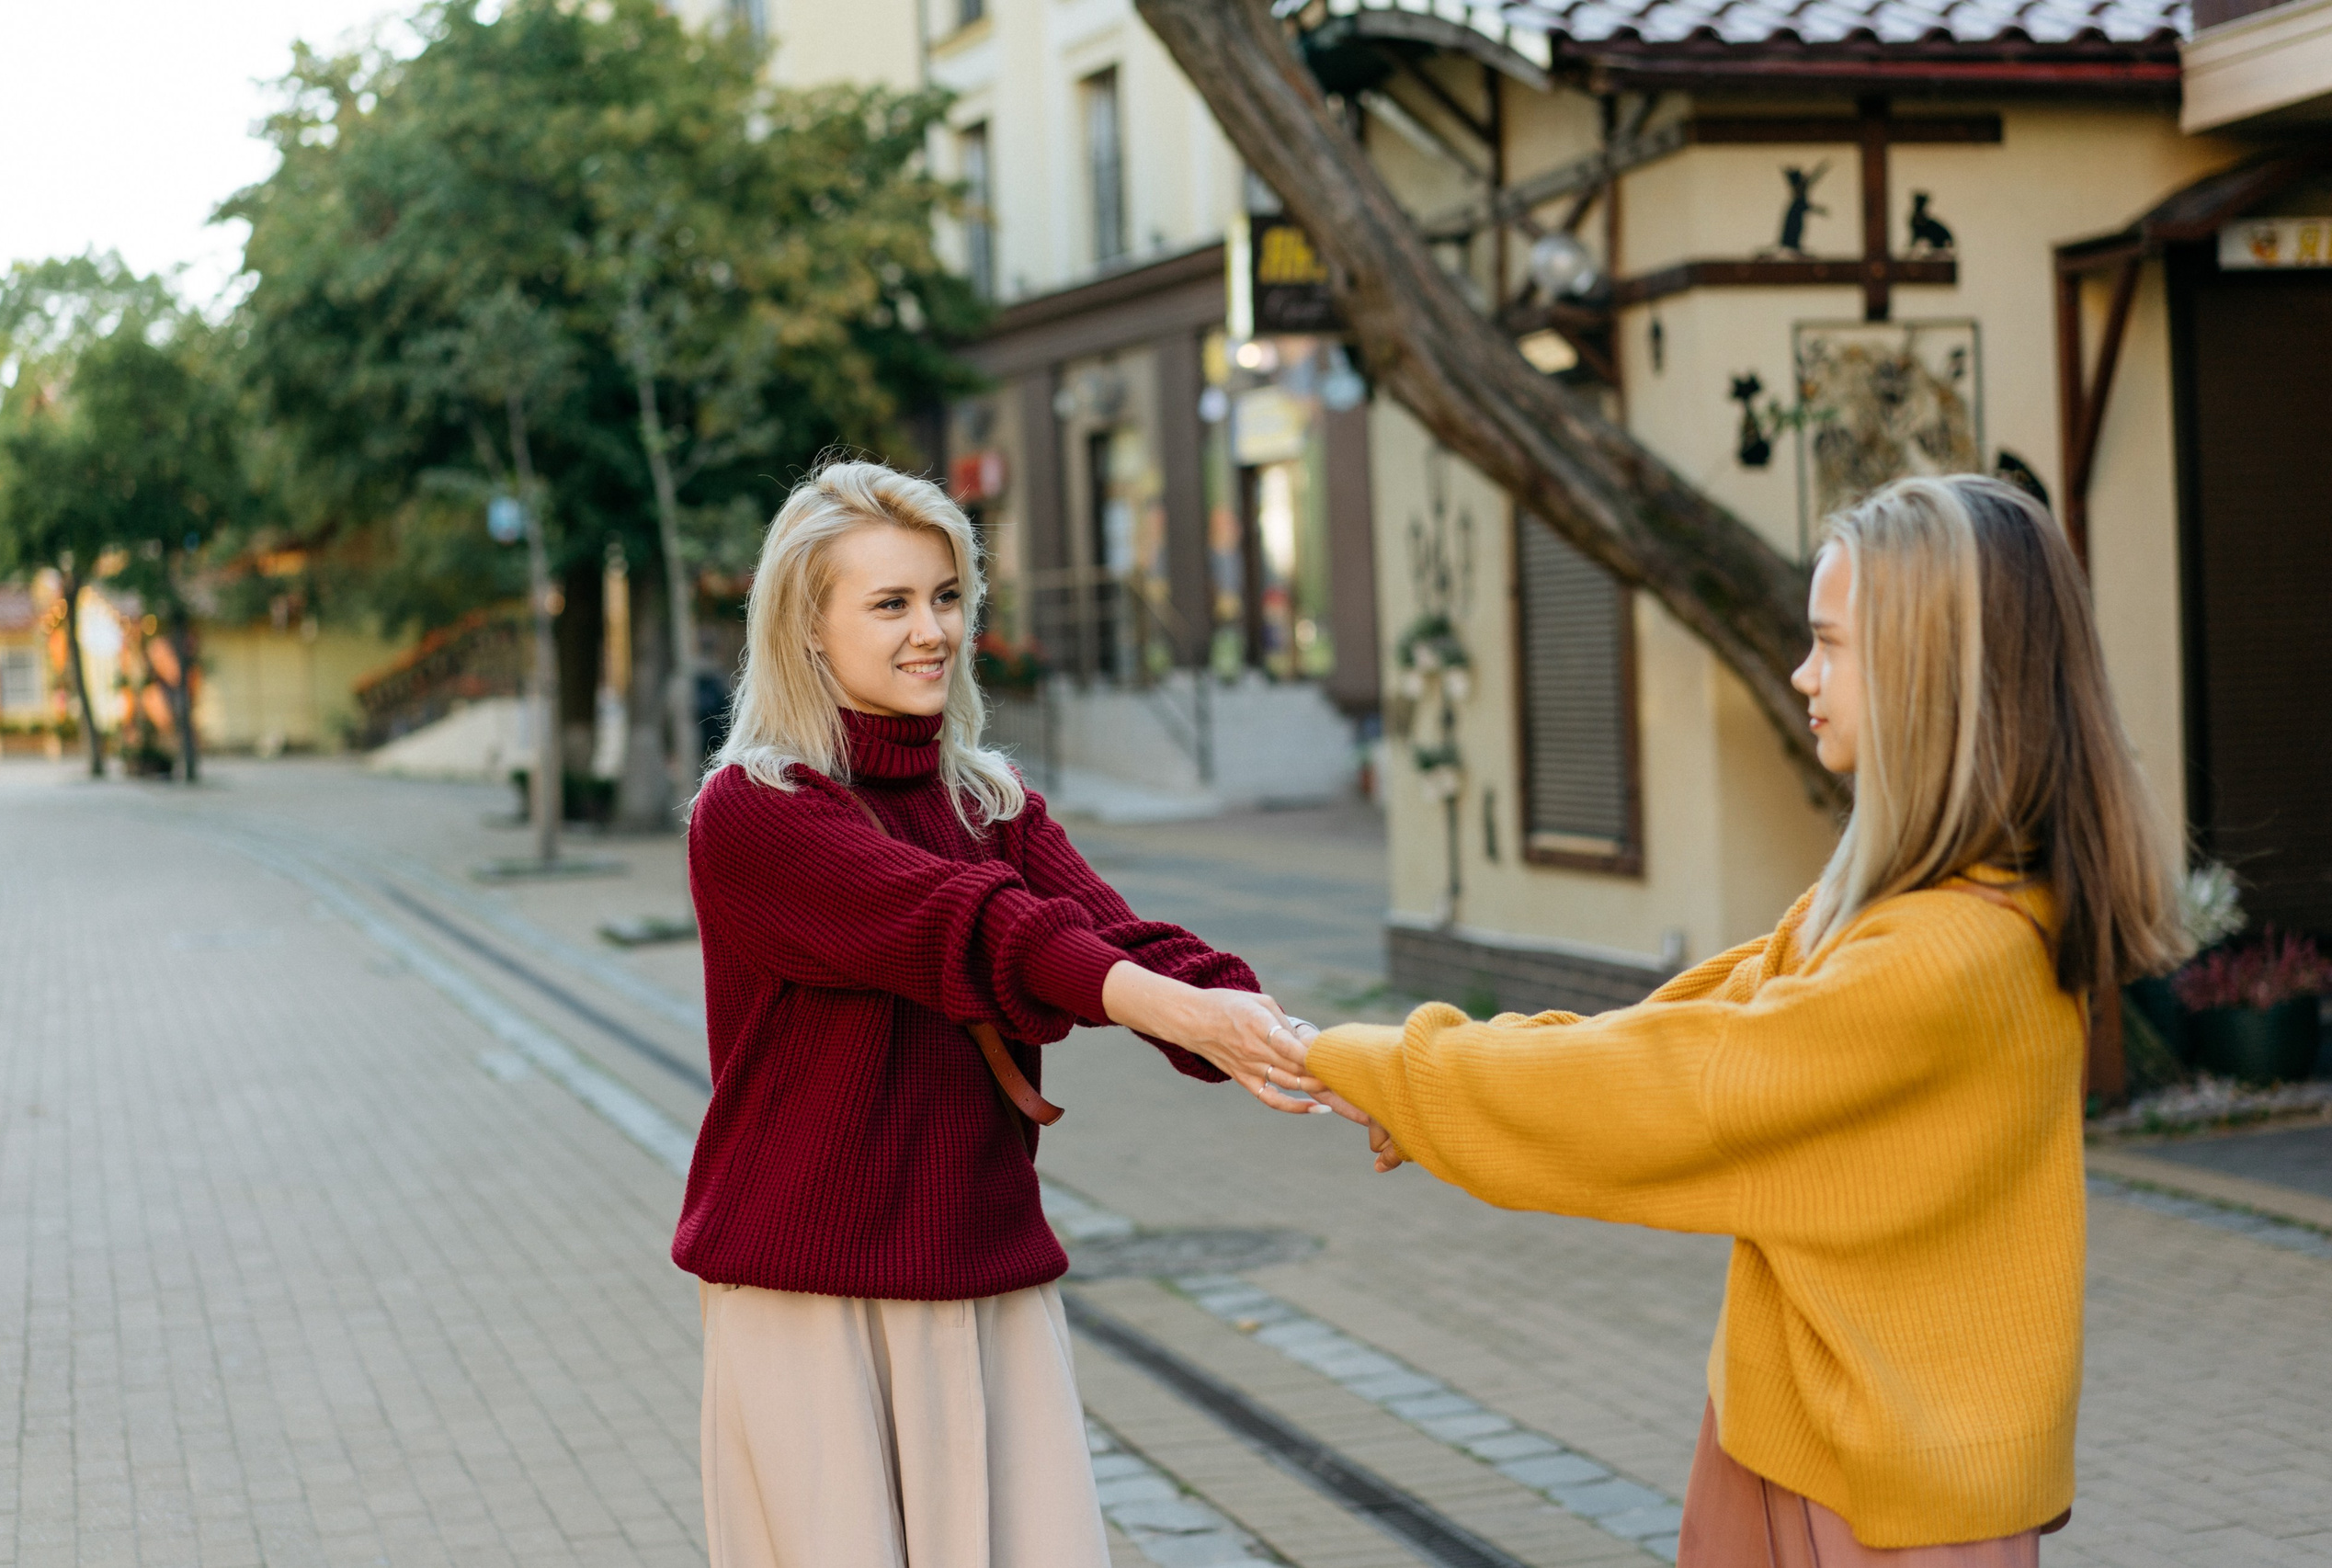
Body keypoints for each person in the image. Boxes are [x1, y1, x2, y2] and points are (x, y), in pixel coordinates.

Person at [1272, 474, 2188, 1563]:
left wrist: (1377, 1067)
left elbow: (1673, 1091)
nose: (1802, 673)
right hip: (1809, 1445)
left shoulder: (1945, 952)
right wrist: (1421, 1096)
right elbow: (1671, 1032)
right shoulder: (1912, 909)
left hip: (1885, 1499)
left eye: (1830, 644)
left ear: (1926, 674)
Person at [676, 460, 1313, 1567]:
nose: (932, 631)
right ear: (808, 627)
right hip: (812, 1293)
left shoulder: (987, 799)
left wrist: (1332, 1060)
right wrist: (1186, 1014)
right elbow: (972, 927)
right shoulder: (755, 811)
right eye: (890, 603)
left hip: (984, 1266)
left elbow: (1124, 943)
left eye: (946, 595)